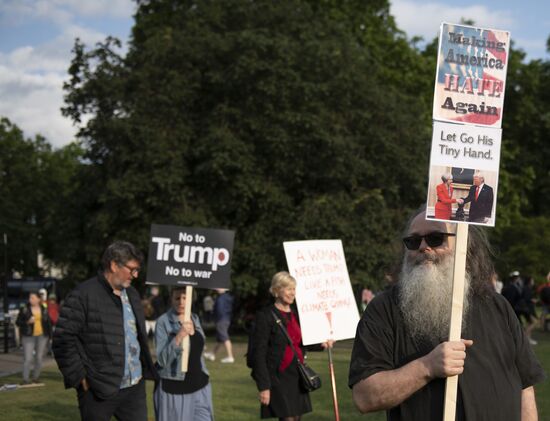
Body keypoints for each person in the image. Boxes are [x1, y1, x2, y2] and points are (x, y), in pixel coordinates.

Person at [349, 208, 544, 420]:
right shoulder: (384, 309)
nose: (423, 247)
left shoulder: (497, 305)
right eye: (413, 241)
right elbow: (364, 396)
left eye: (435, 238)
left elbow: (525, 386)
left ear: (464, 246)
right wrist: (427, 366)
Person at [52, 241, 158, 421]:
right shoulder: (83, 294)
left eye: (137, 270)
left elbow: (137, 337)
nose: (135, 275)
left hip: (134, 387)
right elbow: (63, 339)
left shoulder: (132, 294)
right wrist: (80, 378)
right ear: (114, 265)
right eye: (132, 269)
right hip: (98, 389)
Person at [251, 271, 333, 421]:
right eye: (288, 289)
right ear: (277, 290)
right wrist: (263, 386)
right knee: (288, 418)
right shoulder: (265, 316)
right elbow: (258, 353)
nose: (292, 293)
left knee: (296, 418)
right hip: (277, 377)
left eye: (294, 289)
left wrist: (322, 344)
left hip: (298, 376)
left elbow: (301, 341)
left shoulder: (297, 315)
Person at [154, 286, 213, 421]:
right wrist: (179, 337)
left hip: (200, 387)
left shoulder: (194, 318)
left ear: (191, 299)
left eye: (185, 298)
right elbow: (162, 361)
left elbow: (198, 351)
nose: (181, 302)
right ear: (171, 299)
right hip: (176, 389)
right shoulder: (163, 322)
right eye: (177, 298)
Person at [16, 291, 52, 384]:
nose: (30, 299)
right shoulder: (24, 309)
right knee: (28, 358)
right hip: (28, 336)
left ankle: (35, 377)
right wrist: (27, 322)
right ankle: (25, 379)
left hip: (42, 336)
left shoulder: (44, 308)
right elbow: (18, 322)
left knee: (39, 358)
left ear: (38, 299)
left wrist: (50, 336)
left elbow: (48, 323)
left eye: (32, 298)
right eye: (29, 298)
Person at [203, 288, 234, 363]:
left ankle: (230, 356)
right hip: (226, 318)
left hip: (221, 319)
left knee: (224, 337)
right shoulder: (228, 297)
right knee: (220, 338)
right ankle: (212, 354)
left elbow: (219, 310)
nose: (217, 289)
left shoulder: (221, 298)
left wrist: (213, 316)